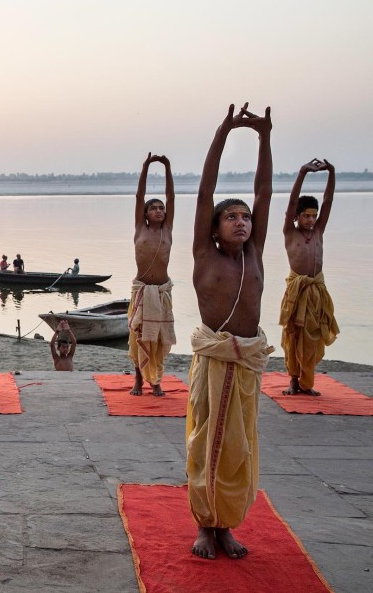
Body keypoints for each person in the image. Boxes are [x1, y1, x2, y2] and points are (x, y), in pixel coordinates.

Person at [187, 103, 275, 560]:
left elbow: (265, 190)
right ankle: (205, 523)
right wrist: (223, 132)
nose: (241, 221)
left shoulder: (253, 255)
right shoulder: (207, 256)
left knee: (240, 445)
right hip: (215, 359)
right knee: (208, 440)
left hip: (247, 360)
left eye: (245, 217)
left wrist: (263, 137)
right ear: (216, 229)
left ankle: (227, 525)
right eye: (231, 217)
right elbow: (205, 190)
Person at [280, 159, 339, 396]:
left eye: (314, 216)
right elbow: (292, 201)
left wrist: (331, 173)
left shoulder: (318, 232)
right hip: (298, 291)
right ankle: (294, 380)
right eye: (306, 216)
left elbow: (328, 202)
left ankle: (307, 382)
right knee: (294, 335)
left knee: (313, 337)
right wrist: (302, 172)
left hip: (316, 292)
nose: (311, 220)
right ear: (296, 216)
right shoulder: (289, 232)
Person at [128, 153, 177, 397]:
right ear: (145, 214)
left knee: (158, 339)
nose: (159, 211)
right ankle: (138, 380)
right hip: (142, 291)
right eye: (154, 208)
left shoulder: (167, 230)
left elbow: (172, 196)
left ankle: (156, 381)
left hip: (161, 291)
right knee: (138, 337)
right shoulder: (141, 229)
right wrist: (146, 166)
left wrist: (167, 168)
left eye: (161, 208)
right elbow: (139, 196)